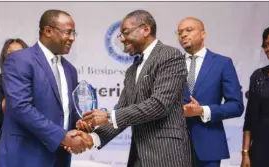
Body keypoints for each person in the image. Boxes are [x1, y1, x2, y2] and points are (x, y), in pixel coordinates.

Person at [78, 10, 192, 167]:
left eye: (125, 32)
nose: (123, 39)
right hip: (138, 157)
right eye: (121, 35)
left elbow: (159, 105)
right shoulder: (132, 70)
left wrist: (109, 116)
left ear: (145, 29)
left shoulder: (170, 55)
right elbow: (124, 110)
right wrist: (93, 138)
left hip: (167, 155)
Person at [0, 9, 92, 167]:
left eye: (74, 33)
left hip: (59, 159)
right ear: (48, 31)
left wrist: (82, 126)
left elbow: (68, 112)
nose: (72, 38)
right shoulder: (19, 60)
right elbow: (21, 108)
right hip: (24, 158)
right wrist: (62, 136)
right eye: (68, 32)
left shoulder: (70, 70)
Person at [177, 17, 244, 167]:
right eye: (180, 32)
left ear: (203, 34)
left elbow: (236, 105)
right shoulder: (172, 65)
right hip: (175, 147)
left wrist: (202, 111)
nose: (183, 35)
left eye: (189, 30)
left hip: (209, 146)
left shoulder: (222, 63)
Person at [0, 38, 28, 163]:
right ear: (4, 57)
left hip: (34, 145)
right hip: (6, 145)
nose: (16, 57)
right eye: (11, 53)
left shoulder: (37, 82)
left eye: (21, 53)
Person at [241, 25, 269, 167]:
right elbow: (250, 118)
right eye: (266, 45)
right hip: (261, 148)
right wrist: (245, 153)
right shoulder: (258, 76)